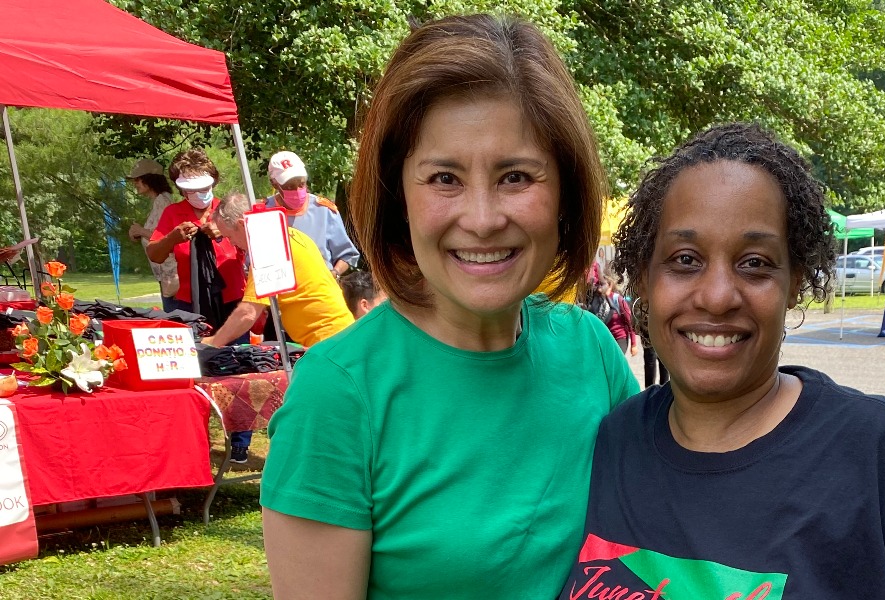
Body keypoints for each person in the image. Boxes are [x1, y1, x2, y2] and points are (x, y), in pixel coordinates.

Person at [259, 14, 640, 598]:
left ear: (565, 192)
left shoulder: (591, 350)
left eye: (516, 176)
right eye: (444, 178)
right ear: (397, 196)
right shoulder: (339, 395)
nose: (483, 218)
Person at [559, 123, 885, 598]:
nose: (718, 295)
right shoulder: (616, 443)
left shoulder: (882, 455)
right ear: (643, 278)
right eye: (685, 259)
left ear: (795, 281)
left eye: (755, 263)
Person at [201, 193, 355, 349]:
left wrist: (213, 343)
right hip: (336, 334)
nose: (231, 243)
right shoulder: (291, 234)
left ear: (242, 225)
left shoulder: (267, 248)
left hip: (326, 340)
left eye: (229, 236)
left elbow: (248, 313)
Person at [146, 149, 246, 325]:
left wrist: (225, 232)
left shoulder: (228, 208)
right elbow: (154, 254)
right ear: (182, 190)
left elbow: (256, 245)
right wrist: (172, 238)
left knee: (236, 349)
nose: (201, 193)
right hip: (190, 301)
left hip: (234, 299)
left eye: (205, 188)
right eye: (193, 190)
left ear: (213, 183)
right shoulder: (173, 213)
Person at [260, 151, 360, 277]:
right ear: (274, 183)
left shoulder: (324, 210)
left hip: (322, 289)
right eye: (289, 187)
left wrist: (334, 273)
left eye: (301, 184)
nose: (297, 191)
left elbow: (347, 254)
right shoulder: (263, 215)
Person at [125, 159, 180, 304]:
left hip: (172, 277)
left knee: (175, 319)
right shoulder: (159, 201)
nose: (135, 184)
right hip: (166, 276)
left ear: (149, 180)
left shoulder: (162, 201)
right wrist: (139, 233)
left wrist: (140, 231)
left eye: (137, 179)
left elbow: (166, 237)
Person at [603, 273, 637, 355]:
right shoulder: (598, 302)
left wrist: (634, 343)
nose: (600, 287)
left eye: (603, 284)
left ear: (610, 285)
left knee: (617, 363)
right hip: (606, 339)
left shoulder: (617, 299)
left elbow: (629, 321)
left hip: (620, 338)